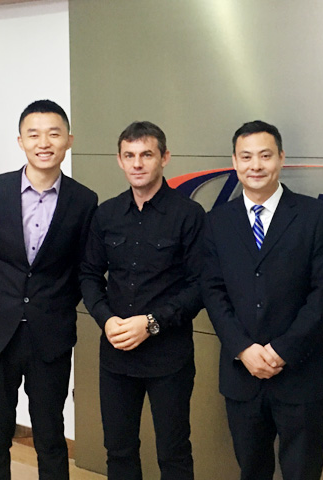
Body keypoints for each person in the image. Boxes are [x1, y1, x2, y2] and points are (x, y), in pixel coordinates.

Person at [0, 100, 98, 480]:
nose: (44, 143)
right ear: (20, 141)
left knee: (51, 439)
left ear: (69, 140)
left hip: (49, 337)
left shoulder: (84, 201)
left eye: (53, 134)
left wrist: (51, 305)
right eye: (33, 134)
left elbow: (84, 269)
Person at [201, 120, 323, 480]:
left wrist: (282, 350)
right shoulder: (217, 221)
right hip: (242, 374)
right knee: (252, 470)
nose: (256, 165)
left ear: (281, 158)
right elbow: (213, 292)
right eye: (246, 157)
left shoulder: (315, 216)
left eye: (265, 156)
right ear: (234, 162)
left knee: (303, 472)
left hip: (301, 373)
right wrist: (243, 348)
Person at [80, 121, 205, 480]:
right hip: (116, 357)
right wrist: (105, 319)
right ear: (119, 160)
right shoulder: (106, 214)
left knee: (173, 453)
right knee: (118, 452)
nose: (137, 163)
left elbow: (200, 287)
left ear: (164, 158)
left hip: (169, 357)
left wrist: (151, 323)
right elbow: (88, 275)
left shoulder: (189, 215)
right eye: (130, 155)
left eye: (146, 155)